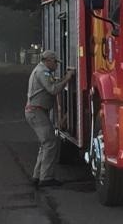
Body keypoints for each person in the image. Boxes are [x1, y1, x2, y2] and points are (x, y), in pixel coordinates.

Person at [24, 50, 75, 188]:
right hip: (36, 111)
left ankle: (37, 176)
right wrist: (68, 78)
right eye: (55, 62)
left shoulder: (42, 71)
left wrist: (62, 79)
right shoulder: (42, 72)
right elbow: (52, 89)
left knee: (45, 143)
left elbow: (52, 84)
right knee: (50, 142)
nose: (56, 65)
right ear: (48, 60)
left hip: (37, 111)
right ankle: (46, 178)